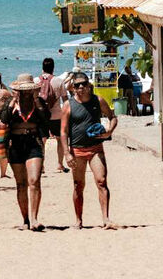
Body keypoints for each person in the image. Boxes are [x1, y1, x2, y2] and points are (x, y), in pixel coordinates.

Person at [60, 72, 118, 230]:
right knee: (78, 185)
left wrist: (109, 132)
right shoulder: (68, 105)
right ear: (73, 87)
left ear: (89, 85)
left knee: (101, 181)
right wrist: (67, 153)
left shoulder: (97, 100)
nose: (81, 87)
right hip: (77, 150)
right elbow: (63, 132)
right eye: (77, 85)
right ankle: (79, 220)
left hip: (95, 149)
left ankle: (106, 219)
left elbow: (113, 117)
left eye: (83, 84)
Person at [1, 74, 49, 231]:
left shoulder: (38, 103)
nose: (26, 93)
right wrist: (13, 101)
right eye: (23, 91)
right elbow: (4, 119)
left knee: (34, 180)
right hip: (15, 143)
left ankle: (35, 218)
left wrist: (36, 100)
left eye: (29, 90)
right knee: (21, 184)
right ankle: (25, 219)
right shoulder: (11, 103)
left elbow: (45, 119)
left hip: (33, 142)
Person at [38, 58, 68, 173]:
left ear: (42, 68)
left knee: (42, 140)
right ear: (53, 68)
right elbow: (65, 100)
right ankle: (60, 164)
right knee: (60, 140)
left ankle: (41, 166)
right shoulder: (59, 81)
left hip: (41, 116)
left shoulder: (36, 81)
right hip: (56, 115)